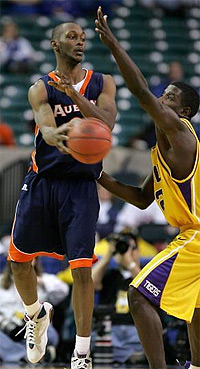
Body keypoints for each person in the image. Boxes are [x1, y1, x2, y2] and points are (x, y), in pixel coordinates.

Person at [95, 7, 200, 369]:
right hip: (191, 232)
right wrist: (99, 176)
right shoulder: (163, 153)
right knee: (195, 309)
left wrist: (113, 45)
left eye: (169, 97)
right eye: (163, 95)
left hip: (196, 235)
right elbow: (141, 199)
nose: (162, 99)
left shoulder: (181, 134)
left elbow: (140, 91)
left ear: (183, 110)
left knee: (139, 295)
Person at [8, 21, 117, 368]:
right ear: (55, 44)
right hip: (43, 181)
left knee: (82, 269)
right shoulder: (40, 88)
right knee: (18, 261)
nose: (80, 42)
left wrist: (75, 96)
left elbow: (107, 124)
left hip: (81, 187)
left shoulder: (103, 83)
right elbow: (47, 124)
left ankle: (82, 355)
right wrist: (57, 135)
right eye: (72, 37)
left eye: (84, 38)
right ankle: (35, 315)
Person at [92, 230, 144, 365]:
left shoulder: (145, 273)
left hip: (136, 329)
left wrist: (131, 265)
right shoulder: (110, 275)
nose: (127, 253)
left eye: (131, 249)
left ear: (138, 251)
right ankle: (128, 355)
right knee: (96, 339)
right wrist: (108, 255)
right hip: (111, 329)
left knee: (145, 339)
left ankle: (120, 354)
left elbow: (145, 287)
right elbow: (91, 284)